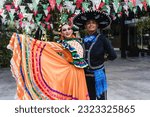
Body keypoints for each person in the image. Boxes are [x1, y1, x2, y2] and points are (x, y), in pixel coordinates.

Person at [7, 23, 89, 100]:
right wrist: (25, 40)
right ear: (61, 33)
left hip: (80, 72)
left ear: (72, 30)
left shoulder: (79, 40)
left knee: (80, 93)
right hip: (72, 73)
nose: (67, 31)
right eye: (64, 30)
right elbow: (47, 45)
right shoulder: (63, 45)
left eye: (69, 29)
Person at [73, 10, 117, 100]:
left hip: (99, 74)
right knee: (89, 99)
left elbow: (113, 55)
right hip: (85, 75)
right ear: (85, 26)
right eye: (88, 23)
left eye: (93, 23)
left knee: (101, 99)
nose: (91, 25)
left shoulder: (102, 39)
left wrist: (103, 59)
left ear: (97, 25)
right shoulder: (82, 40)